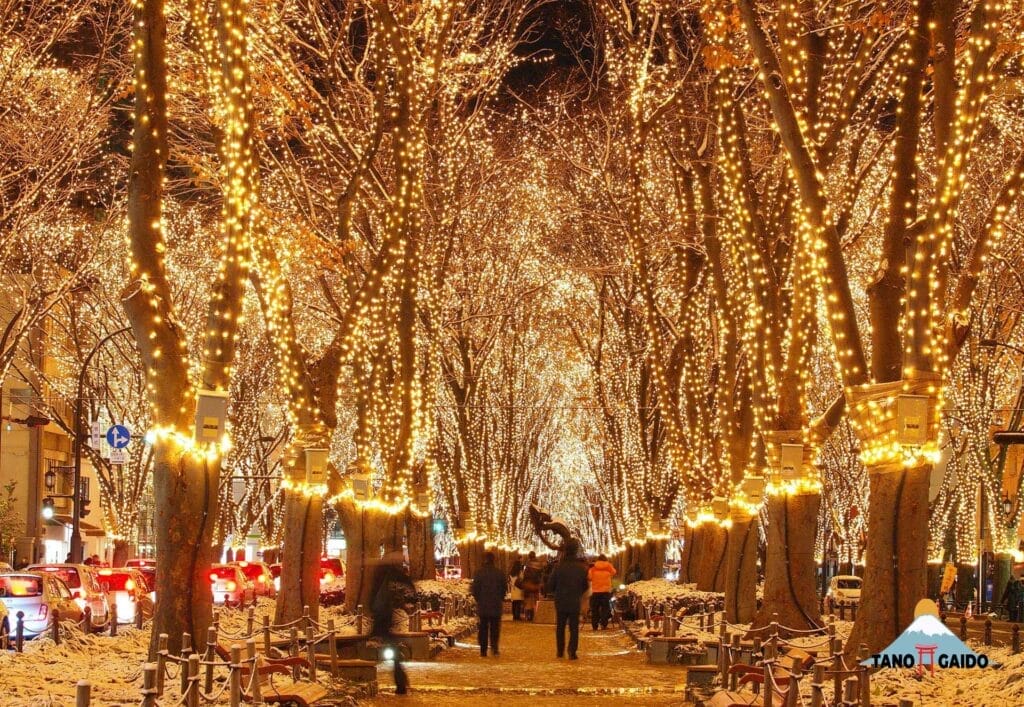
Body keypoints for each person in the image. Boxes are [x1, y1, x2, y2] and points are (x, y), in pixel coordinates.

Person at [369, 551, 416, 695]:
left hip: (380, 616)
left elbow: (373, 595)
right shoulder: (391, 573)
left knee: (390, 646)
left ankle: (400, 681)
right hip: (384, 616)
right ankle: (401, 681)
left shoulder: (380, 573)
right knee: (392, 648)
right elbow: (407, 585)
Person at [546, 539, 589, 660]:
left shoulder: (558, 567)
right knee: (574, 627)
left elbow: (551, 585)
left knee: (560, 626)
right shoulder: (580, 569)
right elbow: (585, 586)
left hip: (561, 600)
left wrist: (557, 592)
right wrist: (577, 593)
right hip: (574, 600)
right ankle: (572, 651)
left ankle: (560, 651)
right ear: (576, 551)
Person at [472, 552, 506, 657]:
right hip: (495, 605)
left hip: (483, 605)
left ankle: (483, 650)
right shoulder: (499, 573)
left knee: (483, 627)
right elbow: (504, 589)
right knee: (495, 628)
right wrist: (500, 598)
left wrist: (479, 599)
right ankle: (494, 648)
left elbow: (474, 590)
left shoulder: (479, 573)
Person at [588, 553, 616, 630]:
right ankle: (604, 624)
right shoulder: (608, 566)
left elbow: (589, 577)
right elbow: (614, 572)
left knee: (595, 609)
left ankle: (594, 625)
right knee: (605, 608)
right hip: (606, 591)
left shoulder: (594, 568)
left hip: (595, 591)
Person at [521, 551, 544, 621]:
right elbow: (541, 574)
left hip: (528, 585)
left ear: (529, 556)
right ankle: (535, 616)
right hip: (536, 585)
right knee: (535, 601)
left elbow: (525, 575)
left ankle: (528, 616)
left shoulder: (528, 564)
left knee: (528, 601)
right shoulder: (539, 564)